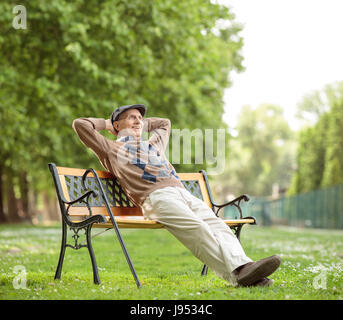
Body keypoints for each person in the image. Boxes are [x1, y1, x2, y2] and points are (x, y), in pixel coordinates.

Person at [72, 104, 281, 287]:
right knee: (197, 228)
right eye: (131, 117)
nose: (138, 121)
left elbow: (165, 123)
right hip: (155, 198)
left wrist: (139, 125)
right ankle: (239, 276)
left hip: (183, 194)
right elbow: (80, 125)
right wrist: (108, 123)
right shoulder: (111, 148)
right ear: (116, 125)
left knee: (217, 225)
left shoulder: (154, 146)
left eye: (141, 118)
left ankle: (246, 268)